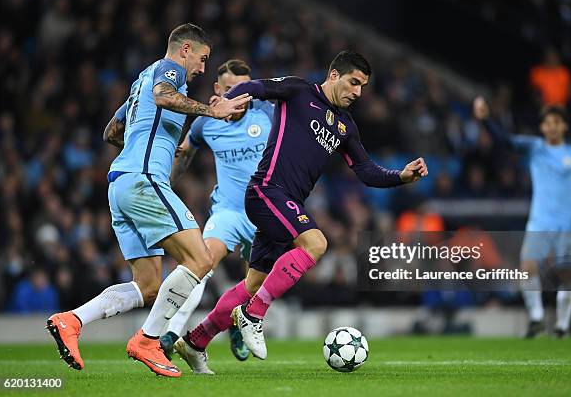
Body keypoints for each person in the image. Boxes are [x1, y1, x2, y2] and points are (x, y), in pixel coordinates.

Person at [176, 50, 428, 367]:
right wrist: (228, 100)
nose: (357, 92)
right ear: (334, 75)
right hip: (266, 190)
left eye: (362, 87)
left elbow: (367, 172)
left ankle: (195, 341)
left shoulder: (345, 126)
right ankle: (253, 315)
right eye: (353, 83)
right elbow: (254, 87)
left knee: (252, 284)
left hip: (287, 202)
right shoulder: (298, 91)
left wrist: (401, 176)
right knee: (316, 243)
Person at [46, 23, 251, 377]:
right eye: (202, 59)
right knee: (200, 258)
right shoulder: (167, 70)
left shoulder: (139, 81)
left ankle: (72, 320)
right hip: (143, 180)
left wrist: (148, 141)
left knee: (150, 285)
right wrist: (211, 111)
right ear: (185, 49)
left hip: (121, 183)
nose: (203, 68)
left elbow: (112, 131)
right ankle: (148, 340)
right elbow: (163, 95)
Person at [158, 59, 274, 373]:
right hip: (229, 212)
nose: (241, 97)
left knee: (254, 286)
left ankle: (236, 321)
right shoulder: (205, 123)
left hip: (264, 215)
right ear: (217, 90)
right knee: (202, 263)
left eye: (246, 90)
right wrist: (162, 187)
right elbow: (184, 155)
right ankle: (170, 332)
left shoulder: (267, 115)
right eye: (232, 90)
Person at [473, 97, 571, 338]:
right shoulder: (535, 147)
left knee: (565, 274)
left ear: (564, 126)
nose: (552, 126)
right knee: (528, 267)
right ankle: (536, 318)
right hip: (540, 220)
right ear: (542, 127)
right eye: (547, 122)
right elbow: (505, 141)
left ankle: (562, 325)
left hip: (567, 222)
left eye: (557, 122)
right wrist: (485, 120)